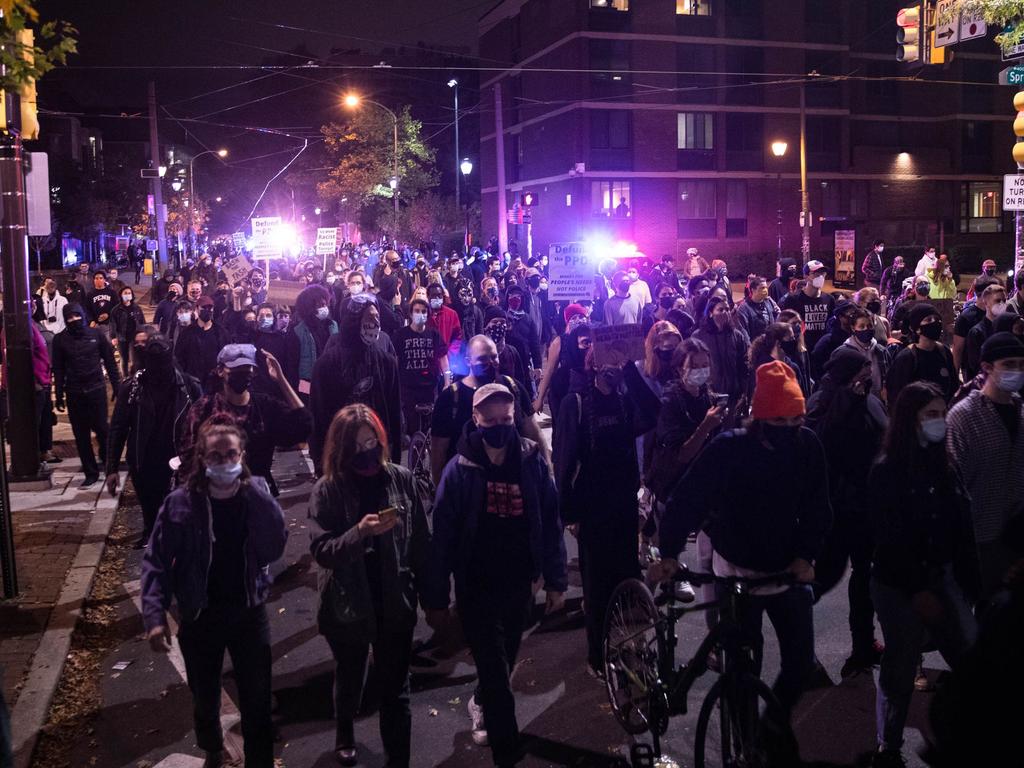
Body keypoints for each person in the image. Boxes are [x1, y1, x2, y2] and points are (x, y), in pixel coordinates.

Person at [654, 361, 831, 717]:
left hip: (786, 569)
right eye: (780, 421)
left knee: (799, 666)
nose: (790, 428)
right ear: (762, 418)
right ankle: (746, 742)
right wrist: (670, 552)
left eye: (795, 419)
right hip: (736, 570)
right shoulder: (729, 448)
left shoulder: (807, 445)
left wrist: (807, 555)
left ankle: (771, 729)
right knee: (741, 671)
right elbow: (688, 498)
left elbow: (818, 507)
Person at [423, 383, 568, 767]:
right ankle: (508, 751)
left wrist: (555, 581)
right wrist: (436, 600)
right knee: (494, 668)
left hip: (520, 582)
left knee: (505, 659)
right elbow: (442, 540)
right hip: (477, 585)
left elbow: (549, 523)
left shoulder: (532, 462)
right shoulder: (459, 473)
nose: (501, 427)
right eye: (492, 421)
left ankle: (483, 698)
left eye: (507, 420)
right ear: (476, 420)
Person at [141, 422, 287, 768]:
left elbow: (274, 545)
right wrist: (155, 617)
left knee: (257, 699)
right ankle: (212, 748)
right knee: (204, 696)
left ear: (242, 456)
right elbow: (156, 561)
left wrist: (256, 495)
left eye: (231, 455)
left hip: (248, 612)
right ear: (202, 459)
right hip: (200, 615)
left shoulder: (256, 495)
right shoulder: (180, 505)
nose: (224, 462)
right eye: (216, 456)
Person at [309, 405, 430, 768]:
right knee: (351, 674)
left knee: (396, 692)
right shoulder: (328, 490)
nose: (368, 450)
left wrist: (434, 598)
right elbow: (321, 550)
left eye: (372, 441)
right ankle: (344, 725)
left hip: (394, 601)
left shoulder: (401, 479)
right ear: (343, 450)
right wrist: (358, 534)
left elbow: (422, 542)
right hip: (348, 603)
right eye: (358, 445)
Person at [864, 382, 978, 768]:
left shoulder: (944, 464)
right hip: (898, 584)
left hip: (941, 576)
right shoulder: (887, 471)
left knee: (969, 655)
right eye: (930, 415)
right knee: (901, 661)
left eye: (941, 413)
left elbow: (961, 530)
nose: (939, 422)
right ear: (909, 419)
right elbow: (891, 537)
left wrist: (971, 585)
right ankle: (888, 748)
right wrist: (917, 590)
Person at [554, 351, 660, 676]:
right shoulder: (576, 404)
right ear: (593, 365)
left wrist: (629, 370)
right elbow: (564, 460)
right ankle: (597, 656)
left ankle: (627, 641)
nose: (613, 368)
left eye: (617, 364)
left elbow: (654, 412)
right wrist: (569, 513)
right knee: (597, 587)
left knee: (625, 577)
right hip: (593, 507)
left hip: (623, 505)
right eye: (608, 363)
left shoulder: (625, 402)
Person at [806, 346, 888, 677]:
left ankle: (863, 645)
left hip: (866, 505)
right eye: (860, 375)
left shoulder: (869, 399)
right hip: (836, 509)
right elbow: (818, 442)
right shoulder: (823, 400)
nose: (865, 380)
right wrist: (846, 402)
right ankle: (800, 647)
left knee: (864, 574)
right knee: (824, 575)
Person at [947, 332, 1024, 598]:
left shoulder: (1022, 412)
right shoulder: (964, 417)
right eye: (1010, 364)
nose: (1018, 371)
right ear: (987, 368)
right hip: (979, 537)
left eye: (1021, 364)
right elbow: (953, 487)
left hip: (1016, 535)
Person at [106, 335, 202, 545]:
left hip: (179, 456)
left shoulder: (188, 387)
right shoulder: (132, 388)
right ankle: (152, 530)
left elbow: (205, 424)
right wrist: (112, 468)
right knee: (149, 502)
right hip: (144, 456)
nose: (159, 368)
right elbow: (118, 428)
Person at [180, 344, 311, 495]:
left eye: (247, 371)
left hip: (256, 495)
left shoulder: (264, 406)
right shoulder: (204, 408)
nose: (242, 375)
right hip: (214, 495)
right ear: (220, 371)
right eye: (236, 371)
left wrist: (281, 380)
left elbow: (304, 425)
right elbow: (188, 456)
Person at [430, 335, 541, 485]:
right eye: (482, 359)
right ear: (468, 361)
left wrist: (546, 473)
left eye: (494, 357)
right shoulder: (450, 398)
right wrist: (441, 494)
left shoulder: (514, 388)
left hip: (513, 480)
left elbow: (534, 432)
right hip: (468, 487)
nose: (491, 363)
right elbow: (439, 453)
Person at [310, 294, 402, 472]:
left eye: (377, 317)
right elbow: (318, 418)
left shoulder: (386, 363)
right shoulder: (327, 364)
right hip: (341, 458)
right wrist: (321, 466)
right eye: (369, 317)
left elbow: (394, 414)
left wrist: (394, 459)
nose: (375, 322)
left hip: (377, 456)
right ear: (354, 320)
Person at [52, 304, 120, 486]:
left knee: (102, 430)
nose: (74, 320)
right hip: (74, 393)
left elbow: (110, 362)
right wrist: (59, 394)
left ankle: (108, 463)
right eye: (70, 318)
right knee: (81, 435)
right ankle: (91, 472)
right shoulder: (60, 340)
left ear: (82, 315)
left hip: (96, 389)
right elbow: (58, 369)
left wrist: (117, 386)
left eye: (77, 316)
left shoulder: (96, 335)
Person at [393, 297, 449, 437]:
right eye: (417, 311)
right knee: (412, 428)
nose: (420, 314)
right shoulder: (400, 335)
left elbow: (443, 358)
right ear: (411, 314)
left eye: (424, 311)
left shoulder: (434, 334)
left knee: (429, 426)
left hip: (429, 387)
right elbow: (395, 360)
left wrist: (447, 381)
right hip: (408, 388)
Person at [886, 303, 957, 405]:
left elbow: (953, 385)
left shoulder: (944, 352)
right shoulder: (906, 358)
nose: (935, 322)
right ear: (917, 329)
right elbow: (896, 396)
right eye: (928, 320)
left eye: (937, 319)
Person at [692, 295, 750, 405]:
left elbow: (743, 364)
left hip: (734, 394)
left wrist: (744, 390)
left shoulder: (736, 335)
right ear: (710, 313)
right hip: (710, 395)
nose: (725, 312)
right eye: (720, 310)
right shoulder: (698, 336)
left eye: (727, 309)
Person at [285, 284, 338, 399]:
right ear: (309, 308)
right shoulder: (297, 331)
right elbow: (292, 365)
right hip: (306, 384)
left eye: (325, 304)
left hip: (331, 380)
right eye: (319, 305)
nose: (324, 308)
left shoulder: (333, 326)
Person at [175, 295, 228, 391]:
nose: (207, 310)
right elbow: (179, 358)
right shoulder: (187, 333)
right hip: (193, 383)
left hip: (215, 384)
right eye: (204, 307)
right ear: (197, 308)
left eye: (210, 308)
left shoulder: (221, 332)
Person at [781, 260, 836, 353]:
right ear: (805, 276)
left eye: (823, 273)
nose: (821, 277)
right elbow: (786, 326)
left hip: (823, 350)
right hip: (802, 350)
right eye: (816, 274)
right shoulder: (793, 300)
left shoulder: (829, 299)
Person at [952, 274, 1001, 375]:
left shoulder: (997, 314)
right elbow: (958, 349)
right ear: (985, 294)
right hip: (972, 372)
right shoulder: (965, 318)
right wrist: (955, 376)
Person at [840, 307, 889, 399]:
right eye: (861, 326)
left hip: (877, 400)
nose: (866, 329)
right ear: (853, 328)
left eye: (870, 326)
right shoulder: (845, 353)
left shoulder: (881, 351)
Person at [964, 282, 1009, 383]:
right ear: (986, 303)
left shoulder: (1007, 330)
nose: (1002, 304)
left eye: (1004, 301)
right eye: (997, 301)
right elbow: (975, 366)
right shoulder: (976, 332)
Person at [484, 307, 529, 392]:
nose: (499, 325)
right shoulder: (480, 351)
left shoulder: (511, 351)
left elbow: (522, 379)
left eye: (502, 322)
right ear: (486, 325)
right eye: (495, 322)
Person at [110, 285, 146, 378]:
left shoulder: (136, 308)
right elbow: (112, 324)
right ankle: (125, 378)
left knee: (134, 359)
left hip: (134, 338)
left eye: (129, 293)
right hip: (121, 337)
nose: (127, 295)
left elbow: (142, 321)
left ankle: (135, 378)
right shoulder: (116, 310)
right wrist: (113, 336)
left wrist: (144, 333)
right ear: (121, 295)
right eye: (125, 293)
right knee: (124, 359)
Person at [426, 282, 463, 368]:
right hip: (428, 361)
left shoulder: (451, 314)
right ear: (428, 297)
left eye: (439, 295)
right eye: (434, 295)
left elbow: (457, 337)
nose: (437, 298)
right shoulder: (424, 313)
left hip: (447, 360)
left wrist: (450, 354)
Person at [736, 275, 780, 342]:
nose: (765, 290)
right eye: (762, 288)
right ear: (753, 290)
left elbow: (774, 322)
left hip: (770, 344)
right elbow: (744, 332)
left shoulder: (769, 302)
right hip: (756, 347)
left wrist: (778, 314)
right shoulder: (744, 309)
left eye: (766, 287)